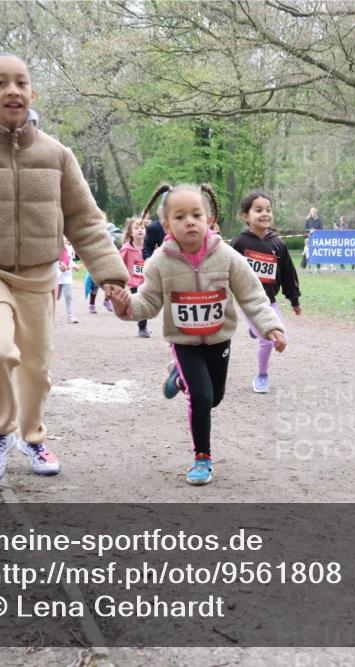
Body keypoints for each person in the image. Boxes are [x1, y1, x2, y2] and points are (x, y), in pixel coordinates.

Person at [0, 53, 128, 485]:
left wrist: (110, 274)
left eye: (21, 82)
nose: (12, 90)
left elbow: (86, 220)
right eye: (1, 83)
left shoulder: (57, 155)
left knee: (36, 368)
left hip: (39, 275)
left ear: (33, 92)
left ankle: (31, 437)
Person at [109, 183, 286, 486]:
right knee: (201, 397)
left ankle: (178, 378)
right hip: (184, 343)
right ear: (166, 225)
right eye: (179, 217)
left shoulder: (228, 256)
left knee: (214, 397)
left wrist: (271, 326)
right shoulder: (160, 263)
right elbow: (147, 304)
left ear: (209, 219)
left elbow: (253, 296)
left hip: (219, 340)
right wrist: (124, 305)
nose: (189, 222)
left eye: (196, 215)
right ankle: (202, 457)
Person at [230, 191, 302, 393]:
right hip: (249, 302)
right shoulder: (239, 243)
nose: (265, 214)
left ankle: (256, 329)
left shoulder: (277, 243)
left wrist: (294, 299)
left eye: (268, 210)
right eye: (258, 210)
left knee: (282, 337)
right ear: (246, 216)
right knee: (269, 340)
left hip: (269, 300)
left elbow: (288, 273)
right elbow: (228, 271)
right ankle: (262, 375)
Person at [119, 216, 151, 337]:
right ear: (131, 233)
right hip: (133, 283)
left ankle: (143, 326)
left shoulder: (150, 247)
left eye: (142, 227)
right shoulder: (126, 248)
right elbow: (119, 263)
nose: (140, 230)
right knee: (140, 304)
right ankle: (142, 328)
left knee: (145, 305)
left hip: (147, 281)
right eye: (136, 228)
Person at [55, 237, 79, 323]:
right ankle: (49, 316)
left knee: (68, 296)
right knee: (55, 297)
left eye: (64, 239)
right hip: (56, 277)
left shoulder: (69, 248)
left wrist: (74, 265)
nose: (64, 240)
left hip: (67, 277)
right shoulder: (54, 249)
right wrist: (60, 266)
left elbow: (73, 259)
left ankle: (71, 316)